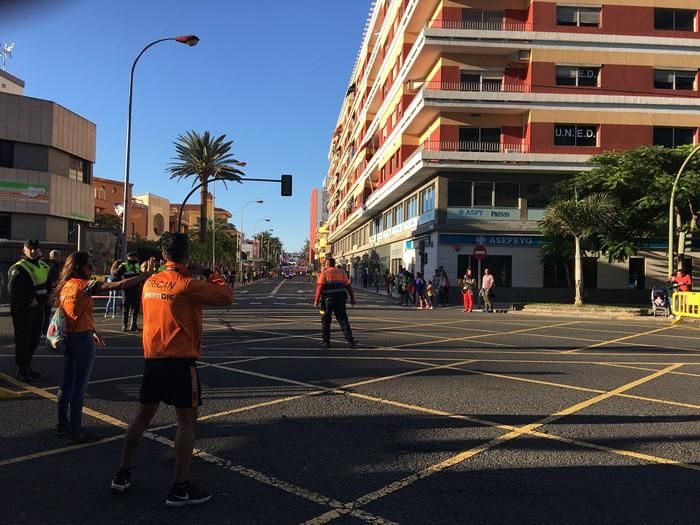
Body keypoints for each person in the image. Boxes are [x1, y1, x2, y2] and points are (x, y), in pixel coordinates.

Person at [111, 233, 233, 506]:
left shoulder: (150, 282)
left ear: (164, 255)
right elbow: (226, 296)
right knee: (186, 422)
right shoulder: (187, 284)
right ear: (187, 255)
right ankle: (180, 487)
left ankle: (122, 474)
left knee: (142, 417)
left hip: (153, 358)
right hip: (180, 362)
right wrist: (210, 272)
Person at [54, 251, 153, 443]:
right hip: (81, 340)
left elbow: (74, 313)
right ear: (79, 268)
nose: (92, 270)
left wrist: (91, 330)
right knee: (79, 387)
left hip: (70, 337)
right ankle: (76, 430)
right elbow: (117, 285)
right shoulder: (83, 285)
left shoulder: (66, 286)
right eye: (89, 266)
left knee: (66, 384)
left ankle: (62, 424)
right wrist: (143, 276)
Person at [9, 239, 50, 382]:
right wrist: (29, 300)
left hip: (39, 307)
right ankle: (21, 370)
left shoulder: (44, 266)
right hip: (23, 309)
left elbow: (47, 285)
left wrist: (50, 296)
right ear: (24, 250)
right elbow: (14, 290)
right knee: (23, 340)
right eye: (29, 248)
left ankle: (28, 366)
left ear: (39, 250)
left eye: (35, 248)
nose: (33, 251)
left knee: (34, 339)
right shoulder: (19, 267)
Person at [314, 257, 357, 349]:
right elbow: (349, 287)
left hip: (326, 302)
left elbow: (319, 287)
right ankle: (351, 340)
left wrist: (316, 300)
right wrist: (352, 299)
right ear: (334, 264)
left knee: (325, 320)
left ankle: (326, 341)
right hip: (340, 301)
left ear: (327, 264)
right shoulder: (342, 273)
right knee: (343, 320)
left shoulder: (324, 273)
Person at [112, 252, 142, 331]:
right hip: (127, 289)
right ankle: (124, 325)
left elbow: (138, 275)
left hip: (136, 289)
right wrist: (122, 282)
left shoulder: (136, 265)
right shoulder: (124, 265)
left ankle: (133, 325)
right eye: (136, 257)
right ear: (131, 257)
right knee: (126, 307)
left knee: (135, 308)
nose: (137, 259)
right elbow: (114, 275)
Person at [42, 249, 62, 337]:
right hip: (49, 291)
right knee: (46, 313)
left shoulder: (45, 264)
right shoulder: (53, 265)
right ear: (55, 256)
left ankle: (42, 331)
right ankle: (44, 331)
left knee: (44, 313)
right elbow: (53, 279)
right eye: (58, 256)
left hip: (44, 291)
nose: (60, 258)